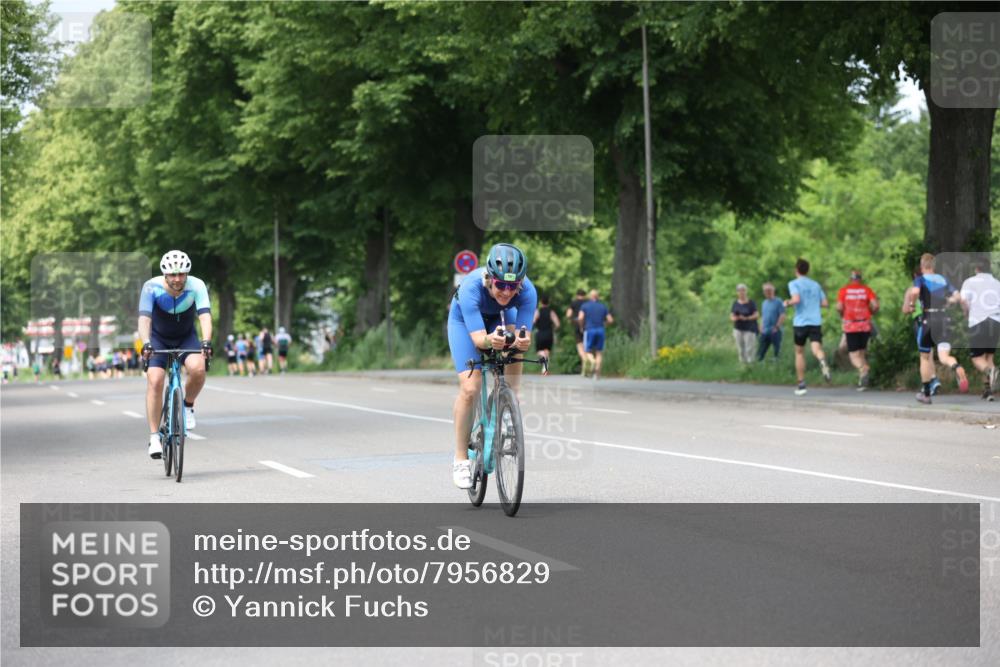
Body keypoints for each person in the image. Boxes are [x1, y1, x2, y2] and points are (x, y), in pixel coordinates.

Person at [448, 243, 536, 489]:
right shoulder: (471, 288)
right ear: (489, 278)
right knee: (470, 388)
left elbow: (522, 330)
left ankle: (509, 401)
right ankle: (460, 459)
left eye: (513, 286)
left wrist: (520, 340)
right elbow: (478, 340)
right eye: (501, 285)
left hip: (500, 318)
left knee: (515, 345)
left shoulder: (528, 291)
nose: (507, 292)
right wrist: (490, 340)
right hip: (465, 323)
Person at [139, 250, 213, 459]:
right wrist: (145, 343)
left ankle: (187, 405)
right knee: (155, 380)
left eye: (181, 274)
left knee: (198, 369)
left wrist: (206, 341)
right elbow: (144, 319)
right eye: (173, 275)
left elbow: (205, 316)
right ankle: (154, 436)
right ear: (165, 274)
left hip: (185, 337)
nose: (177, 279)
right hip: (158, 338)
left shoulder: (197, 286)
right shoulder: (150, 287)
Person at [903, 253, 969, 404]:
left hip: (928, 320)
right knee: (944, 356)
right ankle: (956, 366)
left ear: (922, 266)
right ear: (934, 266)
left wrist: (912, 304)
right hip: (944, 320)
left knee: (925, 357)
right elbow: (959, 297)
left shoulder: (920, 279)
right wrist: (948, 301)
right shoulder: (943, 279)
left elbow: (914, 292)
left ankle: (926, 394)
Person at [784, 258, 831, 396]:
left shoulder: (793, 283)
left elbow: (796, 299)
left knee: (799, 352)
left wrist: (787, 303)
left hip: (801, 323)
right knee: (817, 349)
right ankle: (822, 360)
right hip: (815, 322)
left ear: (796, 270)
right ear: (808, 270)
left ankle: (801, 385)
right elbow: (825, 303)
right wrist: (812, 302)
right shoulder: (815, 285)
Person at [960, 256, 1000, 401]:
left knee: (977, 358)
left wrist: (966, 313)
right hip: (996, 322)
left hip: (979, 321)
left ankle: (992, 371)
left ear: (976, 268)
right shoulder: (997, 283)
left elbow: (964, 301)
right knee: (988, 356)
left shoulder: (970, 282)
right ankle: (988, 391)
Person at [836, 269, 879, 391]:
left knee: (854, 355)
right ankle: (863, 382)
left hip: (852, 326)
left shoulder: (844, 291)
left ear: (851, 279)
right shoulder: (866, 290)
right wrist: (871, 312)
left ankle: (863, 369)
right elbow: (875, 305)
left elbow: (839, 307)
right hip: (865, 325)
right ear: (860, 279)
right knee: (861, 352)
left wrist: (842, 315)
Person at [578, 289, 614, 379]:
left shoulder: (585, 306)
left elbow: (580, 318)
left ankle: (592, 361)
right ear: (598, 297)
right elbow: (610, 320)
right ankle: (597, 374)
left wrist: (582, 326)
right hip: (601, 330)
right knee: (599, 352)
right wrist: (605, 324)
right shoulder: (603, 306)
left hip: (589, 330)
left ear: (590, 296)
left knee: (587, 351)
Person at [730, 284, 759, 364]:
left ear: (746, 291)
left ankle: (750, 365)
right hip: (738, 328)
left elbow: (756, 315)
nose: (742, 292)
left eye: (743, 290)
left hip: (749, 328)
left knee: (749, 348)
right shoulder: (735, 303)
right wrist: (735, 318)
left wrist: (746, 318)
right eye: (739, 291)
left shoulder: (751, 303)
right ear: (737, 292)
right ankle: (742, 365)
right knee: (740, 348)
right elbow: (731, 315)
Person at [757, 283, 786, 361]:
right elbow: (763, 316)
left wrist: (777, 327)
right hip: (765, 331)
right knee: (760, 353)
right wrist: (760, 326)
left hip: (775, 331)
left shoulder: (779, 301)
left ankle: (778, 368)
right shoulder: (764, 303)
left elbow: (782, 315)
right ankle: (758, 368)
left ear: (773, 291)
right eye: (765, 291)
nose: (767, 292)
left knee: (777, 351)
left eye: (769, 290)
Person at [565, 289, 587, 375]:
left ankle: (584, 365)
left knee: (580, 347)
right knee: (587, 347)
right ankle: (587, 364)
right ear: (584, 295)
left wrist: (571, 320)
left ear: (577, 294)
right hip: (587, 326)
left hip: (577, 326)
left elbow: (568, 314)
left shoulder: (573, 303)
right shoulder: (587, 303)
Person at [532, 295, 560, 362]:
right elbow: (558, 324)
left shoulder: (538, 311)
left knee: (539, 351)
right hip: (549, 333)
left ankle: (544, 358)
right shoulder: (551, 312)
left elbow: (533, 321)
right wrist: (553, 329)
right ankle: (545, 367)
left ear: (541, 302)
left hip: (540, 333)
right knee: (547, 350)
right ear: (548, 302)